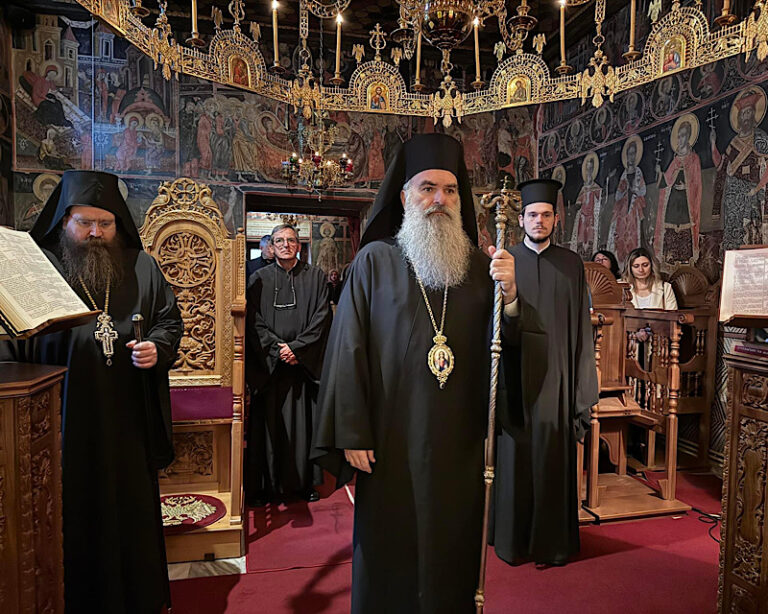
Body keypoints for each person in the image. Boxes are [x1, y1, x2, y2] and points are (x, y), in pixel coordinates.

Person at [311, 133, 518, 613]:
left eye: (449, 190)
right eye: (427, 188)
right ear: (405, 197)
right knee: (392, 555)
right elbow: (348, 350)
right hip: (390, 441)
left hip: (458, 445)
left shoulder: (480, 268)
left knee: (451, 556)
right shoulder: (374, 261)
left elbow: (502, 355)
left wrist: (510, 299)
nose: (439, 199)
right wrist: (352, 430)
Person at [1, 170, 182, 613]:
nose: (96, 233)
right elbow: (10, 340)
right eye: (85, 223)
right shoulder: (38, 267)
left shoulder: (141, 266)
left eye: (106, 223)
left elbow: (168, 320)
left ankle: (137, 599)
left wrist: (157, 348)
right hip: (58, 419)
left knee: (128, 506)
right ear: (64, 221)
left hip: (127, 418)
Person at [491, 178, 598, 567]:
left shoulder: (571, 264)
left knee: (552, 458)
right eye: (533, 214)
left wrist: (582, 381)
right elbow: (493, 323)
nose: (539, 221)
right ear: (521, 219)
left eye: (547, 215)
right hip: (515, 376)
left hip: (557, 377)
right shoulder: (506, 260)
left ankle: (552, 544)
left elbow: (581, 326)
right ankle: (513, 542)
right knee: (516, 458)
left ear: (555, 219)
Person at [246, 224, 332, 505]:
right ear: (271, 246)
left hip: (302, 369)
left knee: (303, 427)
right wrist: (276, 349)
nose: (285, 245)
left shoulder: (316, 277)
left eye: (291, 240)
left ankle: (303, 484)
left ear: (299, 246)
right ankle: (265, 487)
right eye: (279, 241)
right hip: (270, 369)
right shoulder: (258, 279)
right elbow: (253, 321)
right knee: (267, 429)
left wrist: (297, 349)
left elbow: (322, 318)